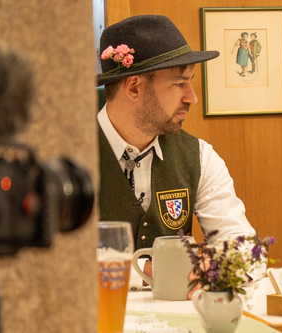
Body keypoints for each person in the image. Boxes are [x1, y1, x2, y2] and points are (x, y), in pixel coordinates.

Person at [96, 15, 256, 280]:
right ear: (133, 88)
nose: (192, 98)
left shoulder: (199, 157)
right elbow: (48, 261)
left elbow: (245, 247)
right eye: (179, 84)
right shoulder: (67, 160)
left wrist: (217, 266)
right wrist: (143, 273)